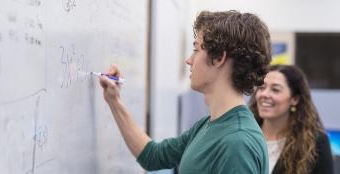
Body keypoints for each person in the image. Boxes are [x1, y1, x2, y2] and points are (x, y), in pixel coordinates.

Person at [99, 10, 271, 173]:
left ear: (219, 58)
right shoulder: (208, 125)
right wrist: (114, 101)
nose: (189, 60)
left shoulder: (237, 143)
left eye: (196, 50)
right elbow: (153, 156)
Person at [249, 64, 334, 174]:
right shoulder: (244, 134)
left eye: (275, 90)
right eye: (261, 87)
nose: (265, 94)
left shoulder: (316, 143)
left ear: (294, 99)